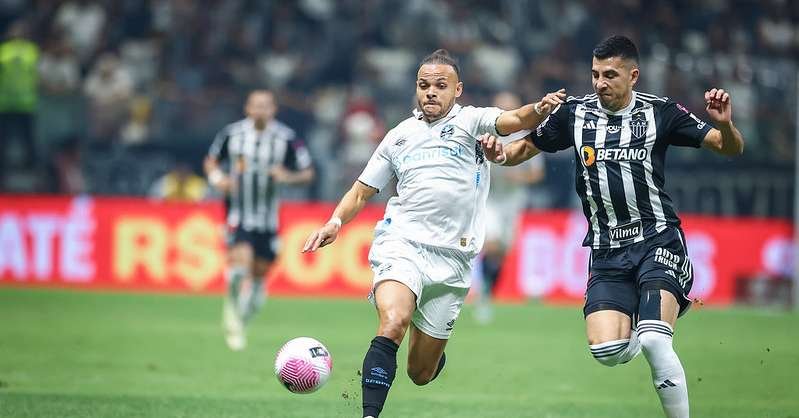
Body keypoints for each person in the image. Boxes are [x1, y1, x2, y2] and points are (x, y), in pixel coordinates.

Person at [481, 36, 744, 418]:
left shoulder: (660, 112)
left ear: (633, 75)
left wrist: (726, 125)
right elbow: (522, 150)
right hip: (606, 252)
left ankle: (657, 321)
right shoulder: (574, 114)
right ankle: (647, 319)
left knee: (655, 341)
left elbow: (729, 147)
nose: (600, 83)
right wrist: (499, 155)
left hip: (657, 240)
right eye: (595, 75)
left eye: (610, 75)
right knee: (606, 350)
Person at [302, 49, 564, 418]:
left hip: (453, 261)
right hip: (402, 244)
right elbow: (361, 191)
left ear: (458, 90)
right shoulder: (398, 136)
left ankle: (430, 349)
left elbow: (516, 119)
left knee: (420, 373)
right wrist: (335, 222)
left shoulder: (473, 122)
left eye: (441, 85)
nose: (431, 92)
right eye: (424, 85)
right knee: (393, 321)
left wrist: (540, 108)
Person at [205, 90, 314, 351]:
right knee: (238, 268)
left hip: (268, 220)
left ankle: (239, 321)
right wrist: (218, 179)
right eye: (256, 106)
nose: (260, 111)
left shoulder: (286, 138)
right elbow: (211, 161)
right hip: (238, 214)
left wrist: (287, 177)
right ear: (247, 108)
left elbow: (308, 173)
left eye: (265, 106)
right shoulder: (232, 134)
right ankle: (232, 313)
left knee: (258, 281)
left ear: (273, 109)